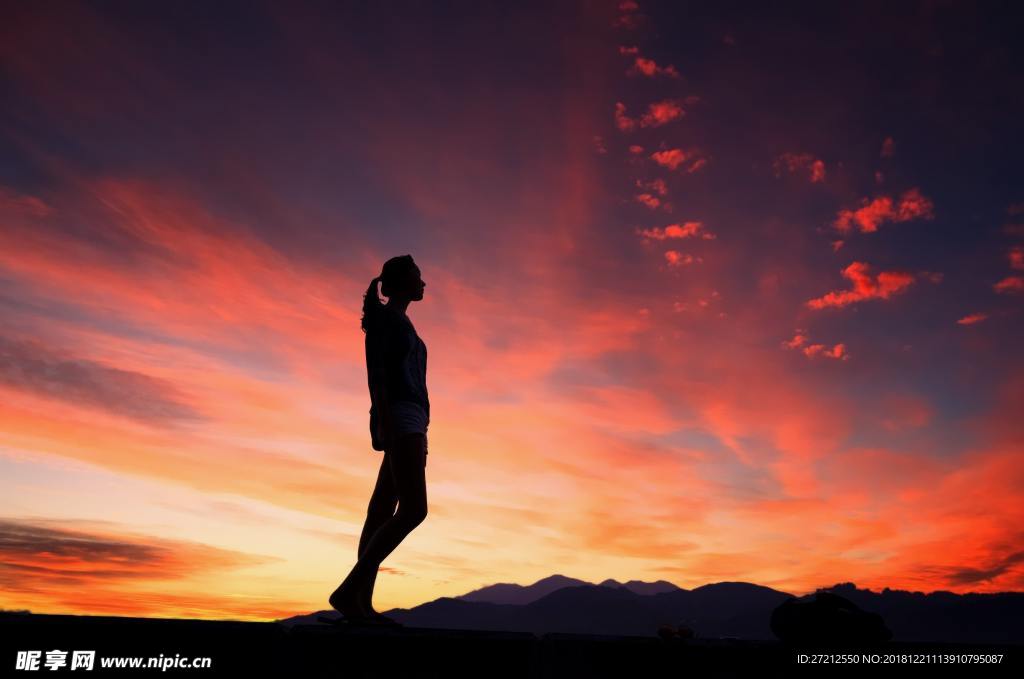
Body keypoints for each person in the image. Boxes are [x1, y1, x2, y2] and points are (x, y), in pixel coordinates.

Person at [329, 255, 430, 625]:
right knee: (414, 510)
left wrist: (423, 432)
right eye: (419, 276)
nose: (424, 283)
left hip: (414, 421)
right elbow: (379, 376)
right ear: (402, 282)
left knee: (380, 513)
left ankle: (360, 607)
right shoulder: (387, 322)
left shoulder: (404, 324)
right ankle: (347, 592)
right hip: (401, 417)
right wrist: (383, 421)